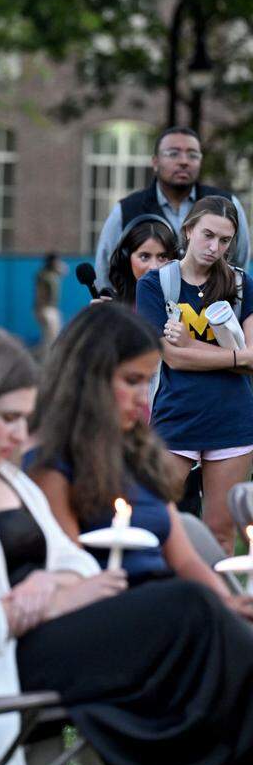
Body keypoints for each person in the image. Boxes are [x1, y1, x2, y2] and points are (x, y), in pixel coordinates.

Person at [0, 326, 253, 765]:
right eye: (8, 418)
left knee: (201, 631)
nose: (20, 435)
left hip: (53, 636)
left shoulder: (7, 480)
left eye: (25, 419)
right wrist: (34, 602)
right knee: (189, 607)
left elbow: (71, 565)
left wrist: (51, 587)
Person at [26, 303, 253, 618]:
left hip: (171, 607)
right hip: (113, 617)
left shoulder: (141, 455)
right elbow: (72, 568)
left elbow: (185, 559)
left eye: (147, 382)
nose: (143, 398)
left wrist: (227, 604)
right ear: (88, 378)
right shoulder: (52, 464)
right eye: (132, 381)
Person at [136, 195, 253, 552]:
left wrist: (190, 344)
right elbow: (171, 359)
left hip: (232, 421)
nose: (214, 247)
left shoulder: (242, 284)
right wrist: (235, 357)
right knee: (156, 524)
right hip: (175, 416)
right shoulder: (156, 284)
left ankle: (219, 607)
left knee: (219, 535)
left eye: (225, 240)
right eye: (208, 235)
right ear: (188, 230)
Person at [94, 125, 249, 292]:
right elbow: (105, 271)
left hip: (211, 311)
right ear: (155, 162)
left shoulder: (227, 204)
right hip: (142, 312)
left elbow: (240, 265)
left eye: (192, 155)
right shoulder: (127, 210)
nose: (184, 161)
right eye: (173, 153)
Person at [105, 214, 177, 305]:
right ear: (126, 259)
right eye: (145, 257)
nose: (154, 267)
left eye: (162, 257)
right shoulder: (114, 307)